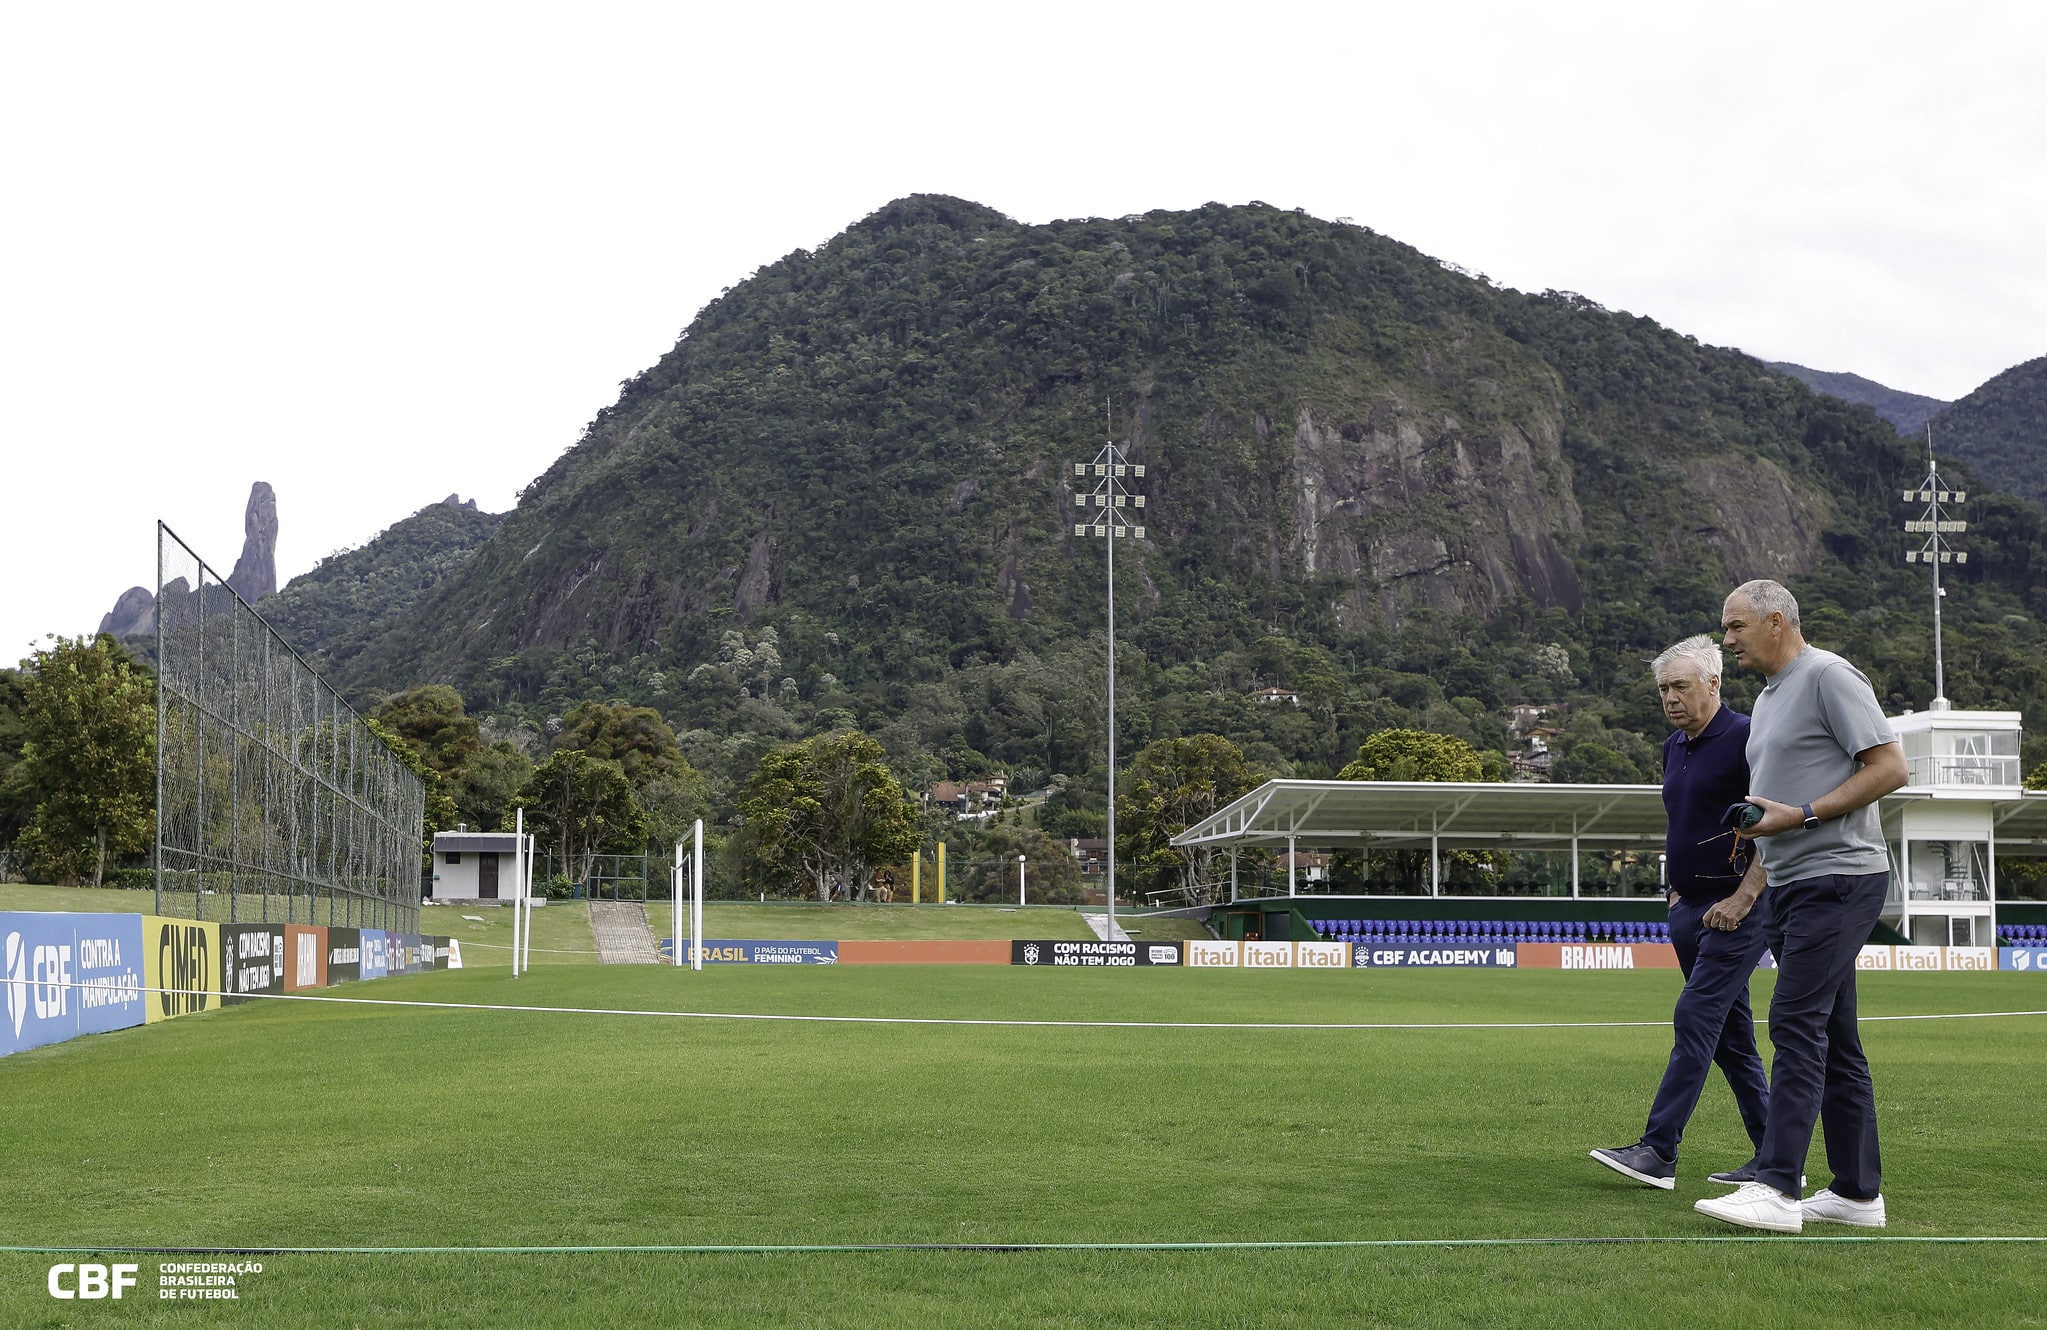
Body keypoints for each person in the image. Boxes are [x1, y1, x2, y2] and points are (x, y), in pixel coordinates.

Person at [1694, 579, 1907, 1234]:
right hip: (1791, 883)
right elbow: (1781, 802)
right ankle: (1854, 1194)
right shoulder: (1767, 700)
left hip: (1838, 877)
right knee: (1835, 1040)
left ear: (1776, 623)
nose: (1725, 640)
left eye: (1734, 627)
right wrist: (1762, 837)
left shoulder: (1827, 676)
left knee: (1793, 1018)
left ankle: (1777, 1186)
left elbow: (1890, 768)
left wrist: (1805, 813)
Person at [1590, 635, 1773, 1191]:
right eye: (1663, 688)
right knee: (1731, 1039)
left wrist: (1744, 896)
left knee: (1695, 1016)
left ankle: (1658, 1150)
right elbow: (1682, 825)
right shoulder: (1673, 746)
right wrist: (1674, 898)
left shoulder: (1748, 737)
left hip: (1739, 908)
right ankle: (1775, 1156)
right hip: (1688, 910)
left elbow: (1772, 820)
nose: (1670, 697)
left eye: (1680, 686)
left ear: (1714, 683)